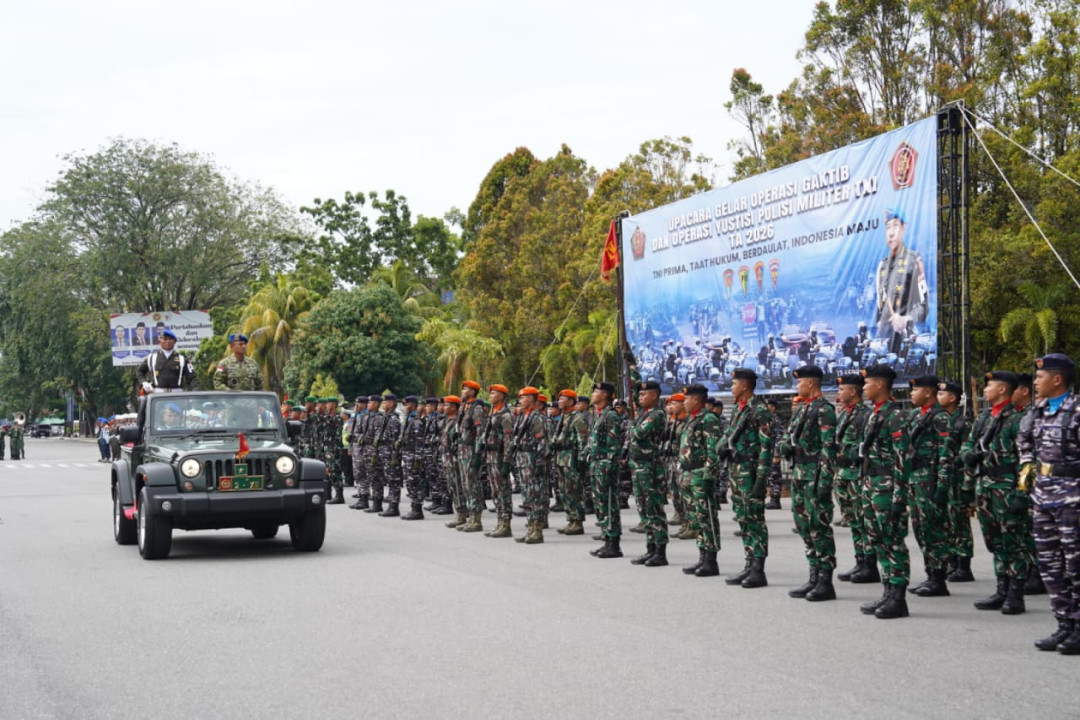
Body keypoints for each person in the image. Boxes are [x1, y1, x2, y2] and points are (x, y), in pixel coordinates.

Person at [1017, 353, 1080, 654]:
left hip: (1073, 498)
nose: (1036, 381)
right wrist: (1028, 465)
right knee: (1050, 564)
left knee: (1075, 563)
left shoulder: (1077, 410)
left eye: (1040, 377)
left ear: (1058, 379)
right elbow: (1024, 440)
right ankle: (1064, 623)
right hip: (1043, 496)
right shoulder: (1038, 410)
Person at [961, 371, 1028, 615]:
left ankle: (1015, 594)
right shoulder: (985, 418)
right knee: (994, 541)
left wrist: (1023, 493)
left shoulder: (1018, 419)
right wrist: (967, 456)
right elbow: (968, 445)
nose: (985, 389)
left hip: (1007, 487)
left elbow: (1027, 459)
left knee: (1014, 541)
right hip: (985, 486)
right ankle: (1002, 589)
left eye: (990, 385)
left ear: (1003, 390)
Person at [779, 365, 839, 601]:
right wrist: (785, 446)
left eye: (799, 382)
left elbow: (828, 447)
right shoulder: (803, 409)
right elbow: (788, 436)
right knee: (804, 524)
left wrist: (824, 479)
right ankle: (813, 574)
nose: (797, 386)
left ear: (811, 383)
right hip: (800, 473)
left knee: (819, 525)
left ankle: (825, 580)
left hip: (814, 473)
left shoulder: (824, 410)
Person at [858, 365, 912, 620]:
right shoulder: (874, 414)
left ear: (880, 385)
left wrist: (900, 496)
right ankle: (888, 591)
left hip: (888, 487)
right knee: (877, 540)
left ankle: (898, 598)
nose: (864, 387)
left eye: (868, 383)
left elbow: (903, 458)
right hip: (872, 484)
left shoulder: (895, 416)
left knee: (893, 541)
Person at [719, 369, 774, 588]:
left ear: (744, 385)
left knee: (755, 520)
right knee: (743, 518)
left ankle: (758, 569)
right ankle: (749, 563)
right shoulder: (739, 410)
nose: (731, 388)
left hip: (751, 473)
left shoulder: (759, 410)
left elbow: (766, 446)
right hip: (737, 471)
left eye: (734, 384)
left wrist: (761, 479)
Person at [906, 375, 953, 598]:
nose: (911, 394)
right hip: (916, 477)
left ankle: (938, 578)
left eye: (916, 390)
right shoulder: (916, 415)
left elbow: (946, 452)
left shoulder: (941, 417)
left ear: (928, 393)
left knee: (934, 528)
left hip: (931, 477)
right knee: (920, 527)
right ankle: (930, 573)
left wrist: (943, 484)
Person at [833, 374, 878, 584]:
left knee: (863, 520)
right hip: (843, 474)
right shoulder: (845, 414)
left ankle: (870, 564)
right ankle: (859, 561)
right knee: (853, 521)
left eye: (842, 390)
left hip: (857, 475)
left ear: (852, 392)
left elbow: (865, 447)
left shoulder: (865, 415)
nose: (838, 393)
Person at [677, 384, 724, 577]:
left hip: (700, 475)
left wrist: (708, 474)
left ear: (696, 400)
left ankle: (711, 560)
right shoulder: (692, 419)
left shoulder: (708, 419)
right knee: (696, 518)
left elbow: (713, 450)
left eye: (686, 399)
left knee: (707, 518)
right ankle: (702, 556)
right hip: (689, 474)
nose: (683, 403)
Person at [627, 381, 670, 567]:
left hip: (651, 468)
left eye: (644, 395)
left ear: (654, 396)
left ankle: (660, 551)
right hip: (639, 467)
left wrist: (631, 426)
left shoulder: (657, 414)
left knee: (654, 510)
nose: (640, 398)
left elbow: (638, 434)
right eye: (640, 395)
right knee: (643, 508)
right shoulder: (644, 414)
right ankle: (650, 548)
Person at [874, 208, 928, 353]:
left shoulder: (913, 260)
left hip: (909, 340)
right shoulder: (882, 266)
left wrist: (906, 320)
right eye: (888, 227)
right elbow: (880, 306)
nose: (891, 232)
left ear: (904, 228)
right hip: (886, 343)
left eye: (896, 225)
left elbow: (923, 307)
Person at [937, 379, 975, 582]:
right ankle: (952, 560)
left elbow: (968, 457)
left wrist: (968, 485)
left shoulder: (963, 423)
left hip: (958, 478)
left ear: (953, 398)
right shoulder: (940, 419)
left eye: (942, 394)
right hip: (944, 478)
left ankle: (964, 565)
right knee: (947, 521)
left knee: (960, 522)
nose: (938, 397)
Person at [588, 382, 624, 559]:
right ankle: (606, 539)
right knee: (600, 503)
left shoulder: (611, 415)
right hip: (596, 464)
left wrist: (610, 465)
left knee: (609, 503)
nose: (593, 394)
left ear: (605, 395)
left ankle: (614, 543)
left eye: (597, 392)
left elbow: (614, 444)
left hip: (605, 465)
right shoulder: (597, 414)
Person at [513, 387, 548, 544]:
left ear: (533, 399)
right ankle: (530, 528)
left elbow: (543, 441)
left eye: (524, 397)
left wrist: (540, 461)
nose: (520, 400)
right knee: (527, 495)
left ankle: (537, 530)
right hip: (522, 459)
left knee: (535, 495)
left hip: (532, 459)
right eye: (520, 397)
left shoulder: (537, 418)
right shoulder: (522, 417)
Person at [552, 390, 588, 536]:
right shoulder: (564, 416)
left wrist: (581, 460)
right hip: (562, 456)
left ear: (571, 401)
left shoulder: (577, 417)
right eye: (559, 398)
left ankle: (577, 521)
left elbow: (583, 440)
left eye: (563, 398)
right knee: (564, 489)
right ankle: (571, 519)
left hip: (572, 457)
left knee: (574, 489)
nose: (560, 400)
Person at [456, 381, 488, 533]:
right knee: (465, 485)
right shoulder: (464, 407)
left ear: (473, 392)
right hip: (462, 449)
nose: (462, 391)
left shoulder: (477, 409)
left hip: (470, 450)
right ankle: (470, 517)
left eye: (466, 389)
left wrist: (477, 454)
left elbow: (480, 433)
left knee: (473, 484)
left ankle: (477, 519)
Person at [399, 396, 427, 520]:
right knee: (410, 482)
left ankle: (417, 509)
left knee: (415, 482)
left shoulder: (416, 421)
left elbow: (419, 442)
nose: (405, 407)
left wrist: (418, 458)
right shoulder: (409, 419)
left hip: (413, 456)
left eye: (407, 405)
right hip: (407, 454)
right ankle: (414, 508)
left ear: (413, 405)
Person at [440, 396, 466, 528]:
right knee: (452, 487)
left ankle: (461, 515)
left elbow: (457, 442)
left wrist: (456, 458)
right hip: (447, 458)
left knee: (457, 487)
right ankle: (459, 513)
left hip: (454, 459)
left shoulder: (457, 421)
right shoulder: (447, 421)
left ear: (455, 407)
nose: (444, 407)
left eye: (447, 405)